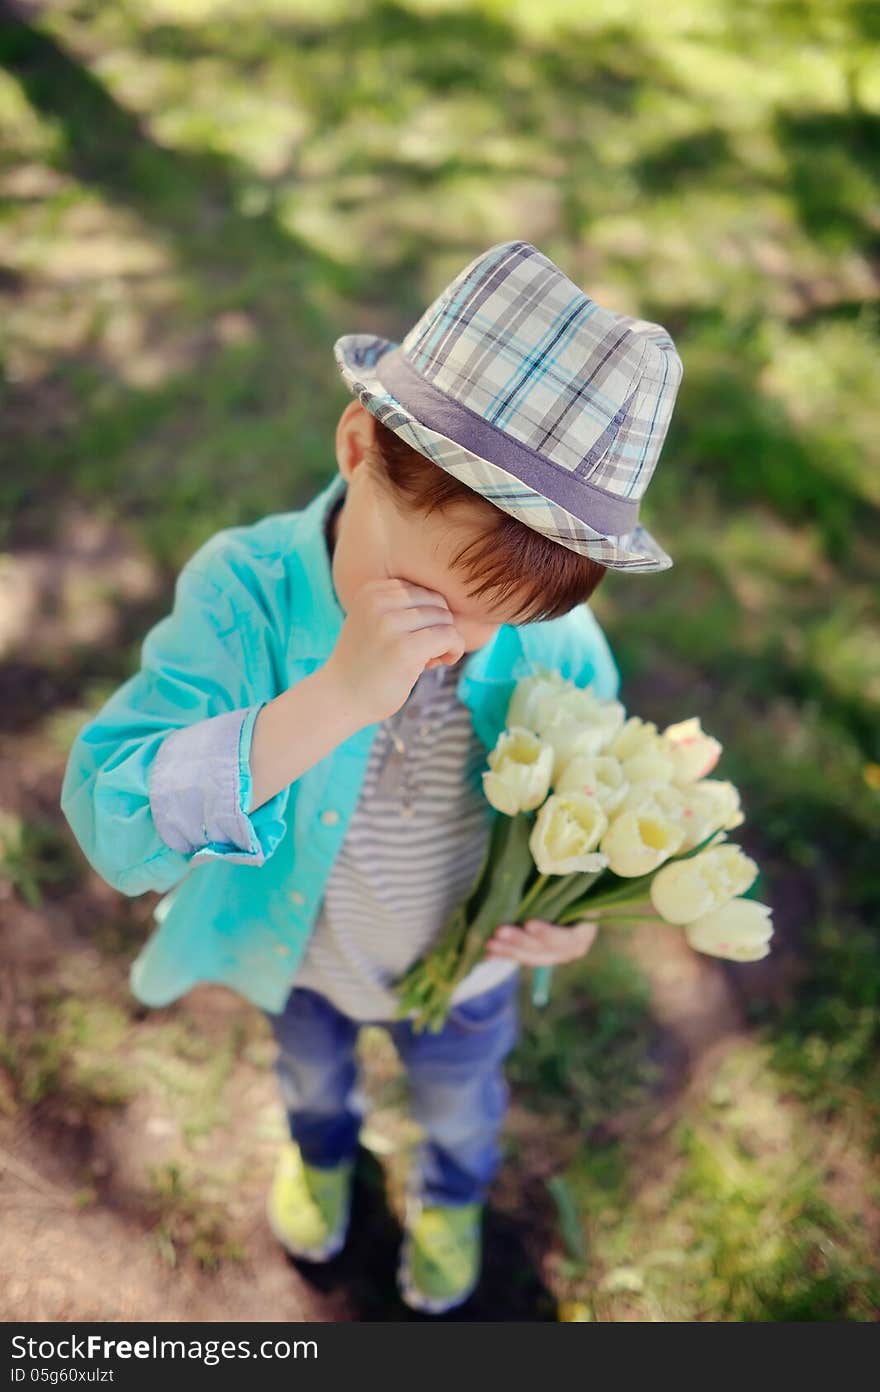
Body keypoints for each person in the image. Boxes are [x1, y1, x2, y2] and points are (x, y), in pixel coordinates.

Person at [60, 239, 683, 1314]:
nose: (465, 646)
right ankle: (322, 1155)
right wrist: (333, 699)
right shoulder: (243, 594)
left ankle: (447, 1195)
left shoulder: (559, 647)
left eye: (514, 618)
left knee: (459, 1108)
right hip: (308, 955)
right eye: (436, 600)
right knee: (311, 1083)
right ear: (358, 444)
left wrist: (571, 918)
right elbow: (115, 822)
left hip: (467, 979)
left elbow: (591, 804)